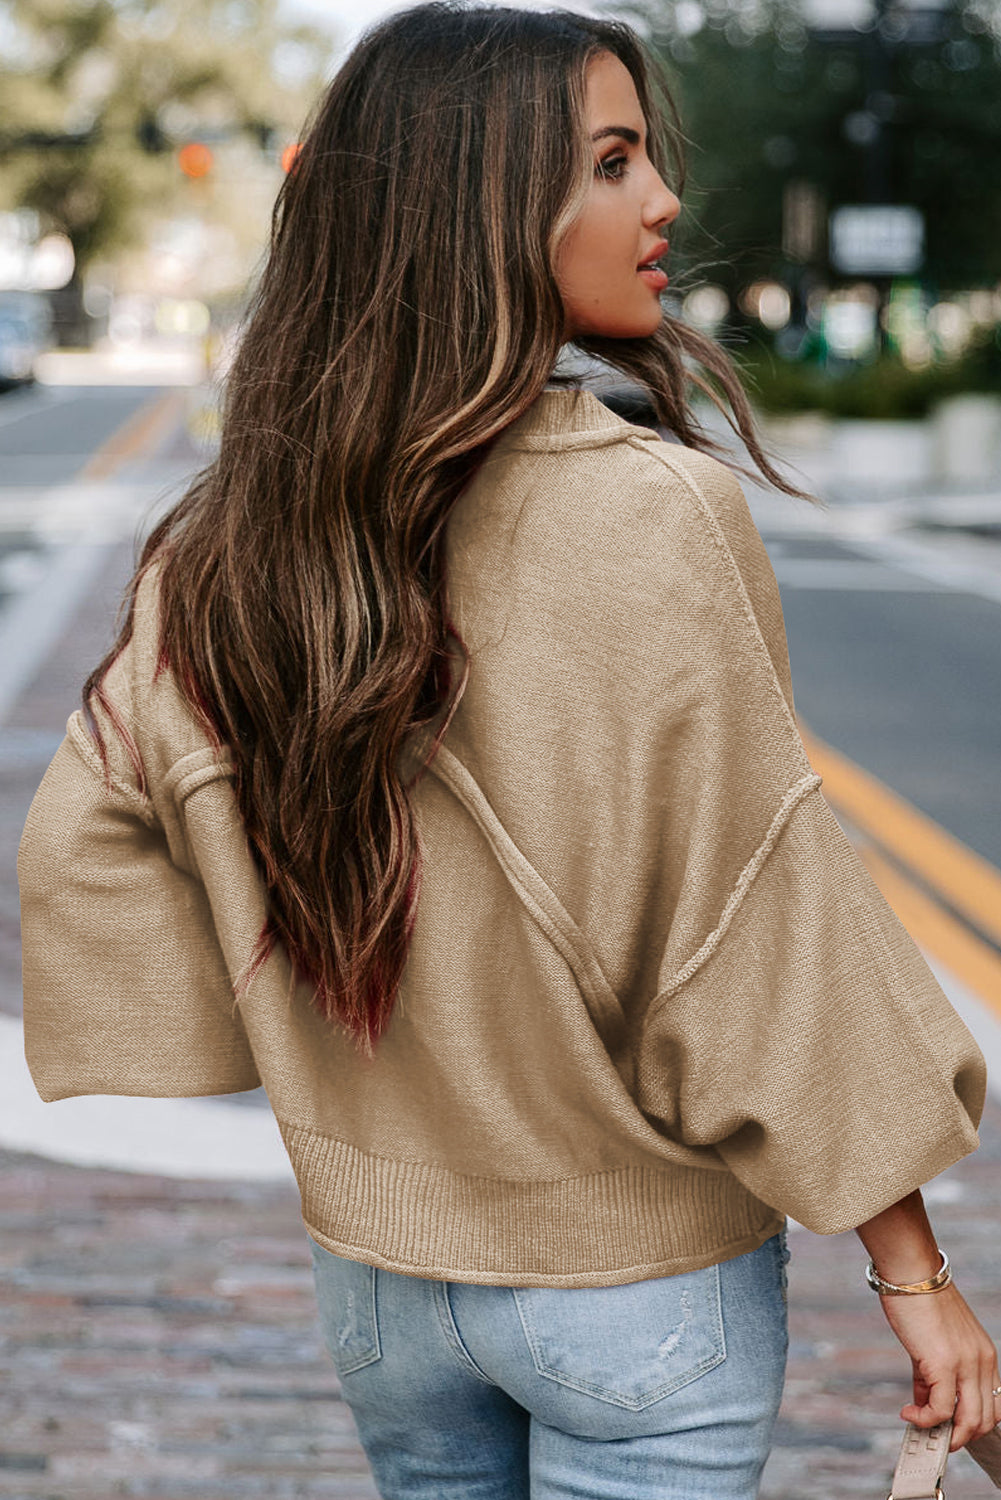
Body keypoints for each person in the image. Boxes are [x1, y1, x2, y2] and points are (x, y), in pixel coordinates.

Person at [17, 4, 1000, 1497]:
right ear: (473, 207)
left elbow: (94, 845)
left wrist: (293, 1055)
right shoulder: (655, 517)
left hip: (383, 1289)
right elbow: (755, 924)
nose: (664, 199)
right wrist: (913, 1276)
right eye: (610, 163)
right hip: (633, 1287)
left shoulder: (229, 541)